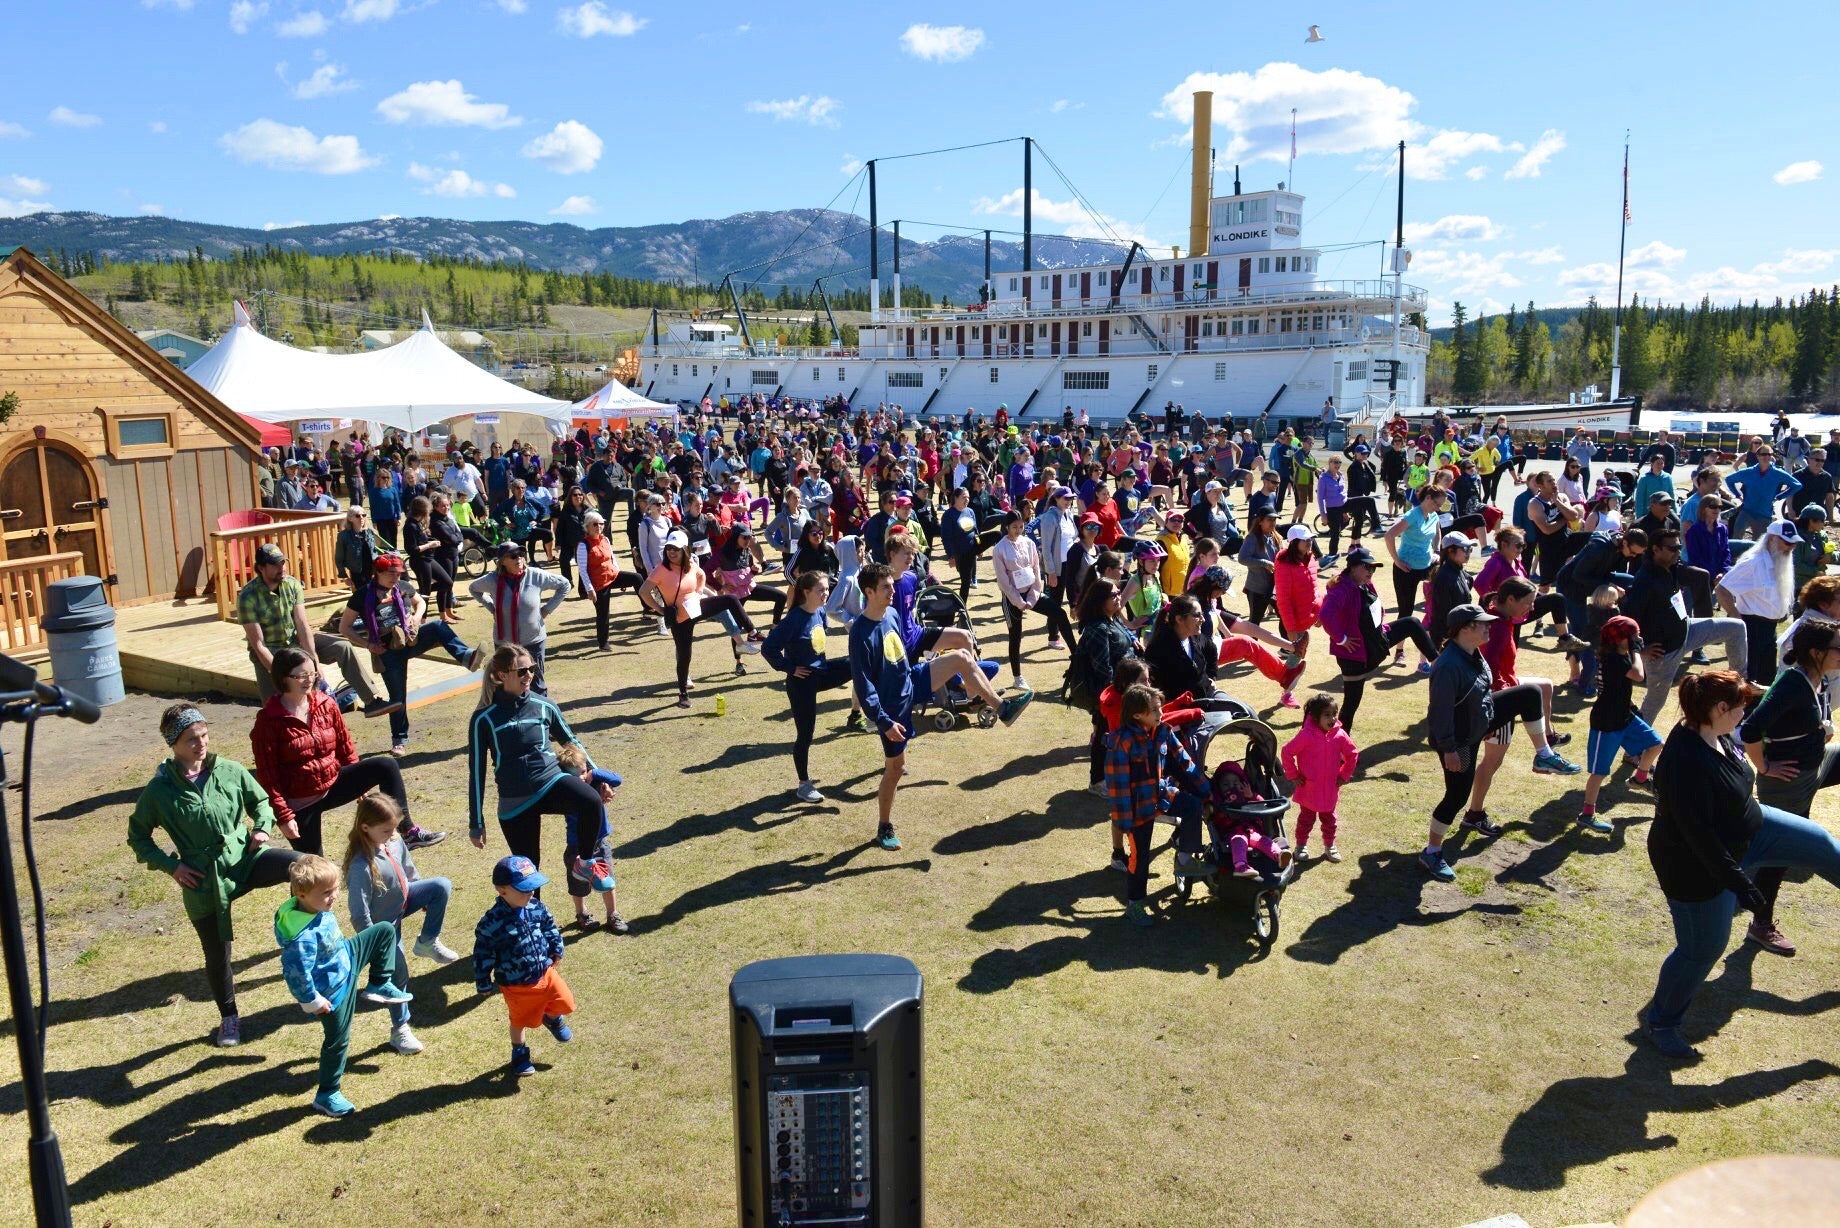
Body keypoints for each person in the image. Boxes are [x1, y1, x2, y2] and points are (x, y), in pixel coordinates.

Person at [1640, 669, 1840, 1060]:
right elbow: (1700, 839)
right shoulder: (1682, 762)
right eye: (1740, 707)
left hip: (1754, 827)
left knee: (1821, 844)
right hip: (1698, 866)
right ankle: (1662, 1022)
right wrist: (1742, 885)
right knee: (1703, 947)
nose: (1745, 715)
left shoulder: (1717, 732)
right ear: (1719, 708)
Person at [129, 704, 305, 1048]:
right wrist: (172, 866)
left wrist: (262, 829)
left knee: (305, 866)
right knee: (216, 954)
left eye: (204, 735)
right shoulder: (159, 790)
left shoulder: (230, 770)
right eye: (192, 739)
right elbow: (138, 838)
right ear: (173, 744)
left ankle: (298, 935)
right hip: (204, 879)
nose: (201, 744)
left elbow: (262, 802)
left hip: (245, 858)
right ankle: (229, 1018)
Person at [850, 562, 1033, 852]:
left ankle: (1002, 708)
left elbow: (907, 650)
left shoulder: (893, 614)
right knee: (896, 769)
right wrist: (883, 721)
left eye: (892, 585)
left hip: (912, 681)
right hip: (892, 707)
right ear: (869, 592)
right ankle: (884, 826)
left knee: (961, 655)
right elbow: (863, 685)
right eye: (885, 587)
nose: (892, 590)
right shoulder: (860, 633)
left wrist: (935, 661)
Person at [467, 644, 628, 931]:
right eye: (522, 670)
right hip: (515, 800)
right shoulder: (484, 719)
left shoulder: (544, 705)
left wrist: (598, 778)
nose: (529, 675)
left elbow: (571, 742)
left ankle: (586, 862)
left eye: (532, 669)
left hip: (550, 781)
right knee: (529, 869)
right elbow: (476, 771)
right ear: (501, 675)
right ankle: (533, 927)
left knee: (590, 801)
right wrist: (476, 822)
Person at [1420, 604, 1582, 882]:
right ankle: (1432, 851)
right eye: (1482, 624)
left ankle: (1543, 753)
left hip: (1479, 721)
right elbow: (1439, 713)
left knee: (1530, 693)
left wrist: (1486, 720)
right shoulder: (1447, 666)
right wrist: (1448, 750)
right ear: (1465, 629)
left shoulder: (1472, 653)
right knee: (1456, 797)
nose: (1488, 627)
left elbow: (1484, 689)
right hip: (1459, 740)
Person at [250, 647, 443, 855]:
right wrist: (284, 816)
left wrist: (358, 786)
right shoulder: (268, 721)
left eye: (312, 673)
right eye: (301, 675)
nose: (309, 679)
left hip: (332, 783)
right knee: (315, 869)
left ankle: (407, 832)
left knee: (385, 765)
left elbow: (344, 746)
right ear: (283, 678)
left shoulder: (326, 704)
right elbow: (268, 776)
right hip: (300, 802)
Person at [274, 854, 410, 1117]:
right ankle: (327, 1094)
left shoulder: (311, 906)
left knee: (383, 931)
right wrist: (312, 1000)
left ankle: (379, 983)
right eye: (326, 892)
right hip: (333, 990)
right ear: (301, 895)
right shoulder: (302, 938)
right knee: (338, 1042)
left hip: (346, 956)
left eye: (335, 889)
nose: (334, 896)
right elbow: (295, 974)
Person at [1737, 618, 1840, 957]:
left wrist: (1820, 731)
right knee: (1781, 853)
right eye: (1838, 648)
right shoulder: (1792, 684)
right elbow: (1750, 730)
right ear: (1816, 652)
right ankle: (1760, 925)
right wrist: (1764, 766)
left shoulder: (1817, 679)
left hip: (1815, 764)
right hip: (1789, 782)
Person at [341, 794, 457, 1059]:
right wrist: (376, 944)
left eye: (394, 828)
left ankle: (427, 942)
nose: (393, 834)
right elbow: (359, 914)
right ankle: (400, 1029)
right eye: (386, 830)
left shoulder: (393, 840)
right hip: (384, 927)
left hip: (404, 902)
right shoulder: (361, 865)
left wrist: (422, 894)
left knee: (440, 886)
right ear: (365, 828)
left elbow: (408, 869)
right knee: (399, 973)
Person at [337, 552, 484, 756]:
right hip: (386, 651)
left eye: (398, 574)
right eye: (391, 574)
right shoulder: (362, 596)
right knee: (398, 697)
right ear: (378, 573)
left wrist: (416, 617)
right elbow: (344, 628)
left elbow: (421, 602)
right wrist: (368, 644)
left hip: (410, 640)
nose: (396, 578)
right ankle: (399, 740)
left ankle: (467, 657)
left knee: (439, 626)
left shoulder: (403, 587)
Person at [238, 543, 395, 717]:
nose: (281, 567)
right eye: (275, 564)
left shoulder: (292, 585)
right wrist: (280, 675)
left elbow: (302, 625)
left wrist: (314, 663)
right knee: (273, 711)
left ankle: (372, 700)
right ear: (261, 568)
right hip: (269, 651)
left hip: (294, 642)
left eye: (283, 562)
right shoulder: (247, 597)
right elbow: (259, 645)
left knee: (343, 647)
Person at [1106, 683, 1210, 926]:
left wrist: (1207, 791)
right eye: (1154, 710)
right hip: (1136, 808)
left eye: (1159, 708)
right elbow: (1117, 786)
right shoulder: (1122, 742)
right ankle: (1135, 905)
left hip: (1161, 795)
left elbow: (1185, 763)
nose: (1160, 713)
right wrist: (1124, 821)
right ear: (1136, 714)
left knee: (1193, 806)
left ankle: (1184, 859)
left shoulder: (1163, 731)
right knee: (1139, 858)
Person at [1621, 530, 1748, 725]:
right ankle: (1633, 751)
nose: (1677, 552)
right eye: (1672, 548)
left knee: (1737, 628)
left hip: (1687, 630)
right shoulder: (1645, 580)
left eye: (1679, 547)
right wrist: (1640, 650)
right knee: (1655, 700)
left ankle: (1738, 686)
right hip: (1664, 652)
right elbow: (1627, 620)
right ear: (1655, 549)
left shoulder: (1670, 567)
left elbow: (1696, 576)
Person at [474, 854, 576, 1077]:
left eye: (533, 887)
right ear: (502, 890)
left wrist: (556, 947)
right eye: (524, 889)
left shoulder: (535, 906)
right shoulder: (491, 923)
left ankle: (551, 1017)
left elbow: (550, 926)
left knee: (566, 1003)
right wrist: (483, 981)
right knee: (521, 1021)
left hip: (545, 972)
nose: (531, 892)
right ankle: (519, 1053)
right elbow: (483, 954)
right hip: (516, 984)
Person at [763, 571, 861, 804]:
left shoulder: (819, 611)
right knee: (805, 734)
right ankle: (803, 785)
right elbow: (769, 648)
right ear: (806, 592)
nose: (826, 594)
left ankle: (873, 705)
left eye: (827, 589)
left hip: (820, 673)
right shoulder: (793, 620)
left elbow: (817, 646)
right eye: (821, 590)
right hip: (801, 682)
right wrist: (790, 668)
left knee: (854, 662)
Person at [640, 529, 762, 708]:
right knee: (684, 656)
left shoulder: (689, 564)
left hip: (696, 608)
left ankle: (752, 632)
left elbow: (701, 575)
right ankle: (683, 694)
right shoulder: (661, 569)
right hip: (680, 619)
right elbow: (644, 591)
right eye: (669, 549)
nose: (671, 552)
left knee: (730, 599)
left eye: (675, 549)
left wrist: (697, 593)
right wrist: (660, 609)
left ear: (684, 550)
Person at [1319, 547, 1436, 732]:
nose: (1371, 572)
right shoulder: (1342, 587)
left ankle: (1439, 663)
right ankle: (1339, 750)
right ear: (1354, 567)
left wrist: (1381, 628)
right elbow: (1326, 615)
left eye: (1374, 568)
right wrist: (1341, 639)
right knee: (1350, 705)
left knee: (1412, 623)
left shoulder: (1363, 583)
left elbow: (1373, 609)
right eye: (1367, 567)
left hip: (1374, 643)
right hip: (1354, 657)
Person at [1576, 615, 1664, 833]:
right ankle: (1587, 814)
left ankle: (1640, 779)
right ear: (1620, 639)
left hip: (1625, 716)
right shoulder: (1613, 659)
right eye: (1634, 636)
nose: (1638, 639)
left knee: (1655, 744)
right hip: (1606, 722)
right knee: (1599, 773)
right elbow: (1638, 675)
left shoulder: (1620, 654)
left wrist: (1635, 650)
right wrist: (1636, 652)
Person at [992, 509, 1074, 691]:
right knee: (1015, 636)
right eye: (1014, 527)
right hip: (1012, 596)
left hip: (1031, 592)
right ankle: (1017, 677)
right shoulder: (999, 549)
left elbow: (1037, 570)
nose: (1018, 530)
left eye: (1021, 526)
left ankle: (1076, 655)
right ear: (1006, 527)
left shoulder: (1028, 543)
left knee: (1059, 613)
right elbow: (1003, 581)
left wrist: (1033, 596)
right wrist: (1019, 602)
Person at [1075, 577, 1139, 793]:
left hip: (1125, 689)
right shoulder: (1097, 628)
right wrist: (1118, 693)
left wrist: (1133, 639)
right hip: (1108, 694)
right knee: (1104, 736)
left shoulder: (1112, 619)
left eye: (1119, 592)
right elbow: (1103, 668)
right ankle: (1097, 781)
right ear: (1100, 600)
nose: (1119, 597)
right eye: (1113, 595)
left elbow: (1124, 636)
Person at [1715, 520, 1798, 684]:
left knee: (1766, 680)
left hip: (1770, 629)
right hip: (1752, 628)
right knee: (1748, 680)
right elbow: (1722, 589)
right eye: (1787, 542)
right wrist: (1735, 616)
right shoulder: (1754, 563)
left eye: (1793, 543)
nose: (1791, 547)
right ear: (1772, 539)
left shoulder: (1780, 562)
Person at [1282, 694, 1358, 863]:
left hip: (1330, 789)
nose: (1332, 718)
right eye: (1327, 714)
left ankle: (1330, 845)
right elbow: (1287, 752)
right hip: (1309, 788)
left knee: (1329, 820)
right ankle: (1301, 846)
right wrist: (1293, 775)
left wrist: (1344, 775)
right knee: (1306, 820)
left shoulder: (1339, 735)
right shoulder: (1306, 735)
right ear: (1316, 717)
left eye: (1334, 713)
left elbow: (1352, 754)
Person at [577, 510, 645, 651]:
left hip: (612, 575)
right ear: (588, 526)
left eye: (601, 524)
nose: (599, 527)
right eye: (595, 524)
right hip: (598, 583)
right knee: (603, 613)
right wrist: (590, 589)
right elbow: (582, 570)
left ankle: (648, 607)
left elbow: (612, 559)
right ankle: (603, 643)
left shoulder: (605, 540)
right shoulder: (583, 545)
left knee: (637, 578)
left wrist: (619, 574)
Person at [1383, 486, 1445, 624]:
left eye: (1440, 505)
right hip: (1406, 569)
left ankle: (1433, 638)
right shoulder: (1412, 515)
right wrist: (1397, 560)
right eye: (1436, 504)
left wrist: (1437, 552)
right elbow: (1389, 536)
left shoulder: (1433, 515)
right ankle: (1399, 646)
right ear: (1428, 497)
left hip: (1427, 565)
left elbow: (1437, 533)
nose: (1438, 508)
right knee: (1406, 611)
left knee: (1440, 602)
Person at [401, 495, 458, 621]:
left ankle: (415, 594)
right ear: (421, 509)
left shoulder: (419, 523)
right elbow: (412, 550)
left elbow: (422, 540)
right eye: (428, 508)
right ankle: (422, 620)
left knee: (447, 582)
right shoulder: (410, 525)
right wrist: (430, 545)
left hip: (429, 559)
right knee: (426, 591)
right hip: (420, 561)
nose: (429, 511)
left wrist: (431, 540)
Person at [1725, 443, 1800, 539]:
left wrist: (1779, 496)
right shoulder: (1748, 472)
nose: (1767, 457)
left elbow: (1797, 485)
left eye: (1769, 454)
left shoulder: (1778, 473)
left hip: (1764, 514)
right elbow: (1729, 480)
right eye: (1764, 454)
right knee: (1736, 537)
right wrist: (1737, 494)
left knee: (1759, 543)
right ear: (1757, 456)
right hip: (1746, 511)